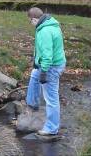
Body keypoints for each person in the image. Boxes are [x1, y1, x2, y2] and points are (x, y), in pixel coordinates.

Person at [26, 7, 66, 136]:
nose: (30, 24)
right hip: (53, 64)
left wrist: (43, 71)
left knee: (51, 98)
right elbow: (42, 50)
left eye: (30, 21)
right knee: (33, 75)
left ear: (34, 19)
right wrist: (36, 62)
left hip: (51, 67)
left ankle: (51, 128)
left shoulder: (45, 31)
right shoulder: (51, 24)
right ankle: (32, 104)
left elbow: (48, 55)